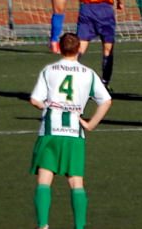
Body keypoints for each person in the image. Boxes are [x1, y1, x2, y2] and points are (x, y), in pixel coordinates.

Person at [29, 32, 112, 229]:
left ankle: (43, 226)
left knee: (44, 180)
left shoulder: (49, 70)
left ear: (59, 47)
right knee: (76, 182)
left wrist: (47, 107)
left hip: (50, 131)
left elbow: (35, 99)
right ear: (79, 49)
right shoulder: (88, 73)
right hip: (74, 132)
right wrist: (91, 124)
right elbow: (106, 101)